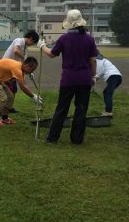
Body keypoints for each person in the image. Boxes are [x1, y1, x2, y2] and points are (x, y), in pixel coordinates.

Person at [40, 9, 97, 144]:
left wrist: (42, 46)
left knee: (62, 108)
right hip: (85, 79)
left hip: (68, 78)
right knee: (81, 109)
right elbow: (93, 60)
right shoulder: (90, 39)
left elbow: (52, 54)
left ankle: (52, 138)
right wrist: (93, 76)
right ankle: (77, 139)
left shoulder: (64, 38)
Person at [0, 57, 42, 126]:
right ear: (26, 65)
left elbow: (22, 80)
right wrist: (33, 96)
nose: (32, 72)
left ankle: (5, 118)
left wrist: (29, 74)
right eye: (32, 70)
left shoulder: (20, 67)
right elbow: (23, 86)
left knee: (10, 97)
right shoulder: (17, 68)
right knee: (3, 99)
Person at [2, 30, 40, 113]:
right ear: (30, 38)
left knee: (14, 89)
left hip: (14, 70)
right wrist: (24, 58)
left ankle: (9, 107)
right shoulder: (19, 40)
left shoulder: (25, 49)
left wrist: (30, 73)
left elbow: (24, 64)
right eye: (33, 43)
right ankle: (4, 107)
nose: (31, 45)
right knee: (8, 89)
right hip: (6, 68)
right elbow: (16, 51)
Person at [95, 53, 122, 117]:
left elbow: (98, 74)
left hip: (113, 77)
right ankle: (107, 109)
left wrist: (93, 81)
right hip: (117, 77)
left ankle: (108, 112)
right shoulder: (103, 60)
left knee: (108, 93)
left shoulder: (99, 61)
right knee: (105, 92)